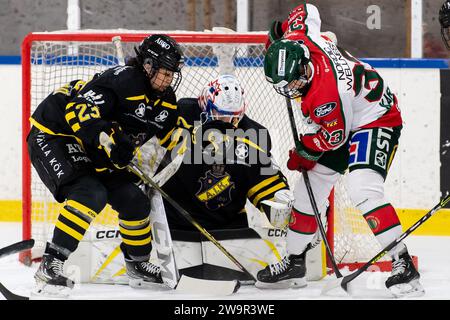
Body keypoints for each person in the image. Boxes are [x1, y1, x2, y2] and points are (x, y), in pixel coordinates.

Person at [257, 2, 424, 297]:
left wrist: (306, 151)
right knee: (308, 189)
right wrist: (283, 30)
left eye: (294, 81)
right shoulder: (301, 38)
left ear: (305, 66)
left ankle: (402, 262)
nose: (291, 89)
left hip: (374, 118)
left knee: (363, 189)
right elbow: (307, 9)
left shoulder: (325, 93)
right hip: (344, 116)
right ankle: (295, 262)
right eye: (285, 84)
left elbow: (333, 138)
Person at [27, 34, 184, 295]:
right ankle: (50, 265)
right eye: (164, 72)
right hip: (56, 133)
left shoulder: (166, 99)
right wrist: (111, 138)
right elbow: (77, 111)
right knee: (90, 193)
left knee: (134, 198)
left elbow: (172, 136)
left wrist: (183, 141)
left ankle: (138, 265)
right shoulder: (124, 80)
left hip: (94, 148)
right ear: (148, 66)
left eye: (172, 73)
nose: (168, 78)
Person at [147, 74, 293, 281]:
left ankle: (299, 253)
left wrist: (277, 200)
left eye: (232, 117)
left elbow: (262, 178)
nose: (226, 121)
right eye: (219, 115)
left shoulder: (254, 133)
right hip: (175, 222)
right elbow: (153, 151)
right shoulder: (181, 113)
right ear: (205, 106)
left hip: (229, 228)